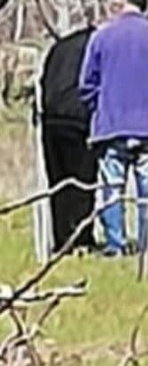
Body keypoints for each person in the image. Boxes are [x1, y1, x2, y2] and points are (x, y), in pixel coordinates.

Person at [78, 0, 148, 257]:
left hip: (112, 125)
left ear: (123, 4)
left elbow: (86, 84)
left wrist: (100, 107)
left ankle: (115, 244)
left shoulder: (102, 35)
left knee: (112, 188)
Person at [37, 24, 96, 253]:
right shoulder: (93, 47)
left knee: (58, 182)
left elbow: (44, 80)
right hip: (77, 119)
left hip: (51, 119)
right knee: (83, 181)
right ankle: (81, 237)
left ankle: (62, 239)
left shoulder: (58, 48)